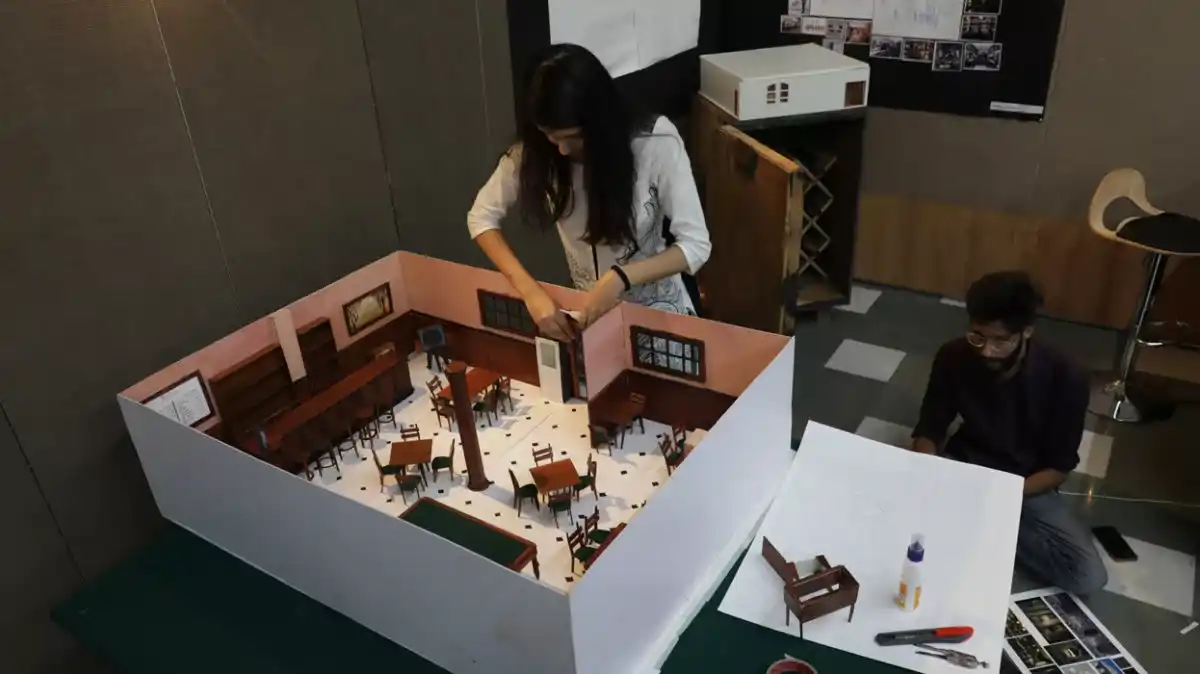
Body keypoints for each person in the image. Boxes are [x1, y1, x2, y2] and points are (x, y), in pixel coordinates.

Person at [467, 44, 711, 340]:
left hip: (658, 315)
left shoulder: (653, 141)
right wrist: (530, 291)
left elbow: (696, 245)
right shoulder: (538, 151)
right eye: (550, 136)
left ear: (599, 121)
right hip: (590, 318)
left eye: (573, 137)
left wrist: (622, 278)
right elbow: (480, 218)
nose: (562, 149)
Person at [911, 271, 1107, 596]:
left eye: (1001, 341)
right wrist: (925, 466)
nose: (986, 351)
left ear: (1026, 331)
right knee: (904, 525)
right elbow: (931, 426)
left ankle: (975, 523)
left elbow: (1058, 468)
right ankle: (975, 521)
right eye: (977, 336)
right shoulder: (953, 355)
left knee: (1088, 576)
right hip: (967, 463)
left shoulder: (1066, 376)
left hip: (1028, 483)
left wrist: (999, 498)